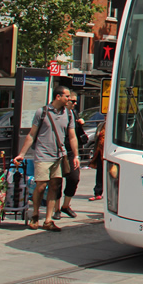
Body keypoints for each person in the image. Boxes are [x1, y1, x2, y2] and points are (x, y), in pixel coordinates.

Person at [13, 86, 80, 231]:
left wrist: (76, 155)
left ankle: (48, 220)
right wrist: (22, 154)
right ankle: (35, 215)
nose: (69, 99)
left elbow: (72, 136)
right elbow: (31, 135)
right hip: (43, 155)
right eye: (67, 96)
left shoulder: (69, 114)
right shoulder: (42, 112)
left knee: (55, 186)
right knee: (41, 185)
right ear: (58, 97)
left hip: (59, 156)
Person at [54, 91, 87, 220]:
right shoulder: (55, 114)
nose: (74, 103)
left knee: (74, 178)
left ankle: (66, 205)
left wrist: (80, 125)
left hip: (71, 152)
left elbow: (76, 136)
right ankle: (56, 208)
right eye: (72, 101)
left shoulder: (73, 114)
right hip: (58, 151)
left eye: (75, 101)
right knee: (57, 181)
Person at [89, 121, 105, 201]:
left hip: (109, 153)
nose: (106, 117)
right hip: (100, 152)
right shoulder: (101, 125)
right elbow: (96, 138)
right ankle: (98, 192)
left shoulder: (116, 124)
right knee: (100, 173)